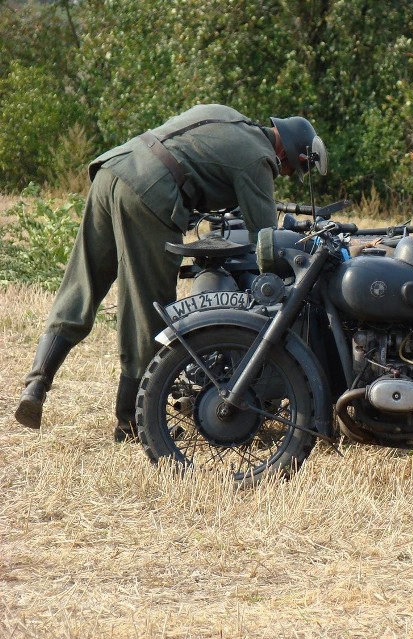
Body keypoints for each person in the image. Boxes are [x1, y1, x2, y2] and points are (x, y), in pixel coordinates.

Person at [14, 104, 323, 441]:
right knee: (149, 307)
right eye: (292, 169)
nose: (287, 174)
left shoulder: (226, 115)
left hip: (113, 169)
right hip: (149, 192)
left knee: (82, 281)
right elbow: (266, 241)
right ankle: (131, 422)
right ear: (287, 152)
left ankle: (37, 382)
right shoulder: (259, 158)